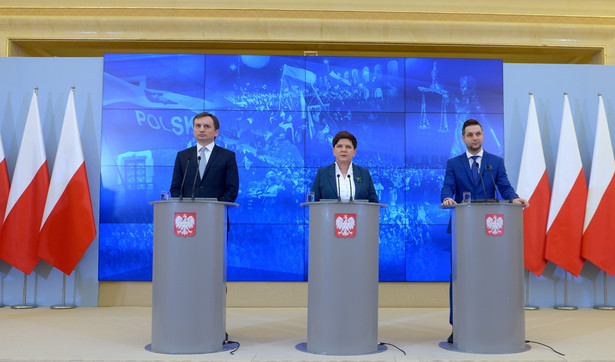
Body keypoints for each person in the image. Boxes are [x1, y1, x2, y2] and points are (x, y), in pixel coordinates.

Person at [440, 118, 528, 344]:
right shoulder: (454, 163)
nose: (474, 138)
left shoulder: (494, 162)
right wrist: (448, 198)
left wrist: (514, 198)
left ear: (482, 135)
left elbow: (505, 186)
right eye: (470, 134)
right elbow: (448, 187)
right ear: (463, 138)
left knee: (491, 276)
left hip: (491, 230)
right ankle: (458, 324)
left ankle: (492, 321)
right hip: (463, 229)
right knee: (459, 277)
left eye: (478, 133)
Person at [170, 112, 239, 202]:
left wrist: (215, 206)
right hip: (188, 214)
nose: (201, 130)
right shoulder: (183, 156)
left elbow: (232, 190)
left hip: (216, 213)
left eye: (206, 126)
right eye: (198, 126)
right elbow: (175, 189)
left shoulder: (227, 156)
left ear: (216, 132)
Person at [311, 131, 378, 203]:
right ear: (333, 150)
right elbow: (314, 202)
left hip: (359, 214)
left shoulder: (364, 173)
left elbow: (373, 202)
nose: (343, 150)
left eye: (348, 147)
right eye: (339, 146)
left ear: (354, 152)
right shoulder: (322, 173)